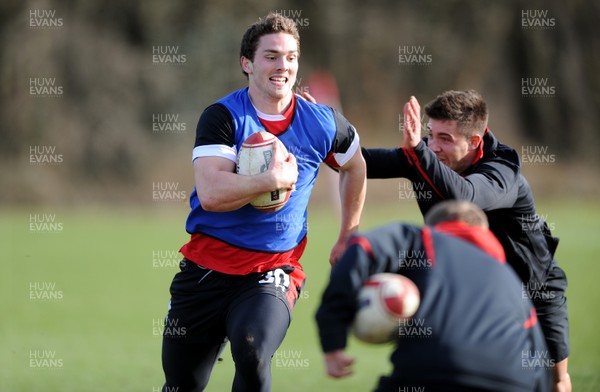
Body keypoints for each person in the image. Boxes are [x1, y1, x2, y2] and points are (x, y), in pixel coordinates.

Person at [161, 13, 367, 392]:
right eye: (271, 56)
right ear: (247, 63)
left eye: (290, 57)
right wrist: (270, 180)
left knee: (253, 350)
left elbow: (356, 166)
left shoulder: (321, 121)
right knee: (180, 383)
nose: (282, 66)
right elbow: (210, 194)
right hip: (205, 267)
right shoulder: (222, 116)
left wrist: (348, 234)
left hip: (272, 270)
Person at [361, 90, 570, 391]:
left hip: (533, 289)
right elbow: (359, 160)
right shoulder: (427, 157)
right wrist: (325, 129)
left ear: (475, 142)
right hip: (470, 294)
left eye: (445, 138)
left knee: (555, 381)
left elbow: (464, 196)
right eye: (430, 135)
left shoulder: (503, 170)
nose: (433, 146)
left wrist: (418, 152)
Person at [316, 200, 552, 391]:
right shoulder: (508, 277)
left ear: (435, 227)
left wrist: (332, 334)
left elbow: (363, 247)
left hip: (433, 370)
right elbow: (538, 356)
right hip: (513, 381)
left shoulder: (424, 239)